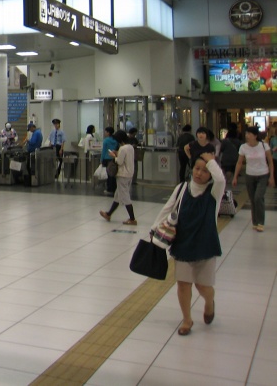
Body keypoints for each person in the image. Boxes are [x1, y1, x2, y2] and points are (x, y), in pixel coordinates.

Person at [151, 153, 225, 336]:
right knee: (183, 284)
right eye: (197, 168)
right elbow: (167, 209)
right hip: (183, 243)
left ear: (210, 174)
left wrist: (211, 161)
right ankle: (187, 319)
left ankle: (209, 303)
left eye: (205, 171)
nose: (199, 173)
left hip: (205, 245)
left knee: (203, 286)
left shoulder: (214, 191)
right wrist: (154, 229)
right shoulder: (182, 188)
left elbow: (221, 179)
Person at [233, 125, 275, 232]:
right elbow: (239, 163)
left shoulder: (264, 145)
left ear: (255, 135)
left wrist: (271, 176)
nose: (247, 135)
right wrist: (235, 177)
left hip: (263, 175)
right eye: (246, 133)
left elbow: (270, 162)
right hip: (250, 176)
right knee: (253, 199)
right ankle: (255, 222)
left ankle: (261, 222)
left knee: (258, 197)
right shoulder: (243, 147)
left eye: (249, 134)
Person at [99, 130, 137, 225]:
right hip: (129, 174)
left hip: (122, 174)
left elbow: (119, 162)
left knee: (125, 196)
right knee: (118, 196)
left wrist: (114, 156)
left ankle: (132, 218)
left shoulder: (123, 148)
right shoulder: (130, 147)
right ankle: (108, 214)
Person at [100, 126, 118, 195]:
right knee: (113, 174)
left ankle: (109, 188)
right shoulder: (116, 140)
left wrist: (101, 159)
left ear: (108, 132)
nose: (104, 133)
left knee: (108, 174)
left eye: (105, 132)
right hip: (113, 158)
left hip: (107, 158)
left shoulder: (106, 140)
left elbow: (104, 151)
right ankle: (114, 188)